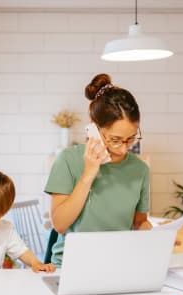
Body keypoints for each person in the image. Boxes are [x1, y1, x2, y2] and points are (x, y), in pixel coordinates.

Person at [45, 73, 152, 267]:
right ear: (93, 129)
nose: (124, 148)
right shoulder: (68, 161)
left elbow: (139, 223)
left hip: (119, 265)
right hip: (71, 266)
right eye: (115, 140)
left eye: (131, 138)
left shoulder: (140, 170)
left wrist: (157, 240)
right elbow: (59, 224)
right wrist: (88, 174)